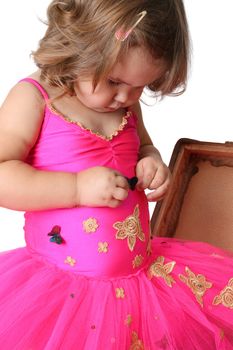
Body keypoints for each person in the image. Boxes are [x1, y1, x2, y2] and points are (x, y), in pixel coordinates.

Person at [0, 0, 232, 349]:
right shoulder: (35, 99)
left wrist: (151, 162)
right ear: (78, 47)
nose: (125, 97)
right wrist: (76, 188)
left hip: (142, 280)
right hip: (64, 291)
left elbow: (143, 147)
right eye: (114, 81)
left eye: (141, 87)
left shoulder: (125, 102)